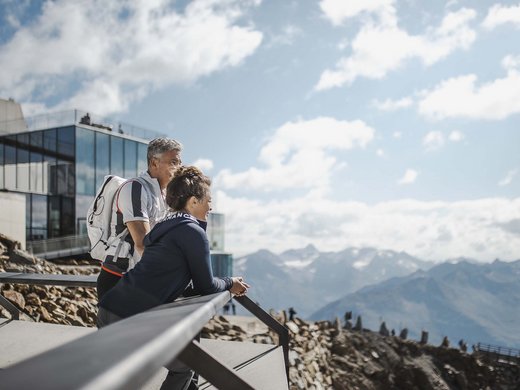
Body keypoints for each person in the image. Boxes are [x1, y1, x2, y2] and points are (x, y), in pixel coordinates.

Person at [97, 166, 250, 389]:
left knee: (130, 374)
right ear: (193, 201)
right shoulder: (192, 232)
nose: (211, 206)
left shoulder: (165, 227)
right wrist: (230, 282)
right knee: (187, 363)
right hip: (130, 316)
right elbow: (206, 285)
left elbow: (178, 283)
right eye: (208, 199)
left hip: (110, 309)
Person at [96, 137, 183, 300]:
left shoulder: (163, 196)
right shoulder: (135, 188)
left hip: (141, 278)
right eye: (173, 162)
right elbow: (143, 242)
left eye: (179, 162)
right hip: (118, 280)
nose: (178, 168)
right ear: (154, 162)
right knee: (118, 327)